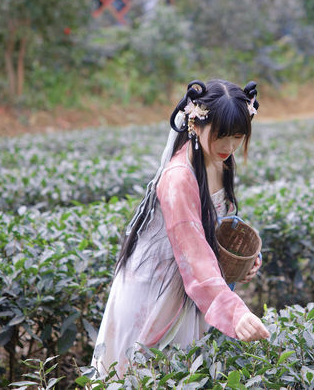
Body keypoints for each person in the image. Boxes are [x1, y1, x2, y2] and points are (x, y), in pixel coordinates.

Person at [91, 79, 271, 378]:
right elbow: (195, 255)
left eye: (238, 136)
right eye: (222, 136)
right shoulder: (178, 178)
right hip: (158, 289)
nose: (229, 147)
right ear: (195, 125)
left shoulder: (217, 159)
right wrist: (234, 311)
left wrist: (249, 262)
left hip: (193, 285)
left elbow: (220, 225)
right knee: (144, 374)